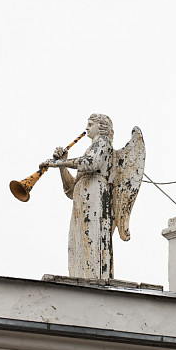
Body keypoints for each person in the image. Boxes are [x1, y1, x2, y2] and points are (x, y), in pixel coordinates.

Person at [40, 114, 114, 279]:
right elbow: (70, 190)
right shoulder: (90, 148)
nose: (87, 128)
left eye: (90, 124)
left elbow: (91, 163)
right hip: (82, 198)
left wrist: (58, 163)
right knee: (78, 240)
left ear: (101, 127)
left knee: (91, 237)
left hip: (95, 195)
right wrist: (62, 166)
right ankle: (80, 276)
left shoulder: (103, 142)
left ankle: (92, 277)